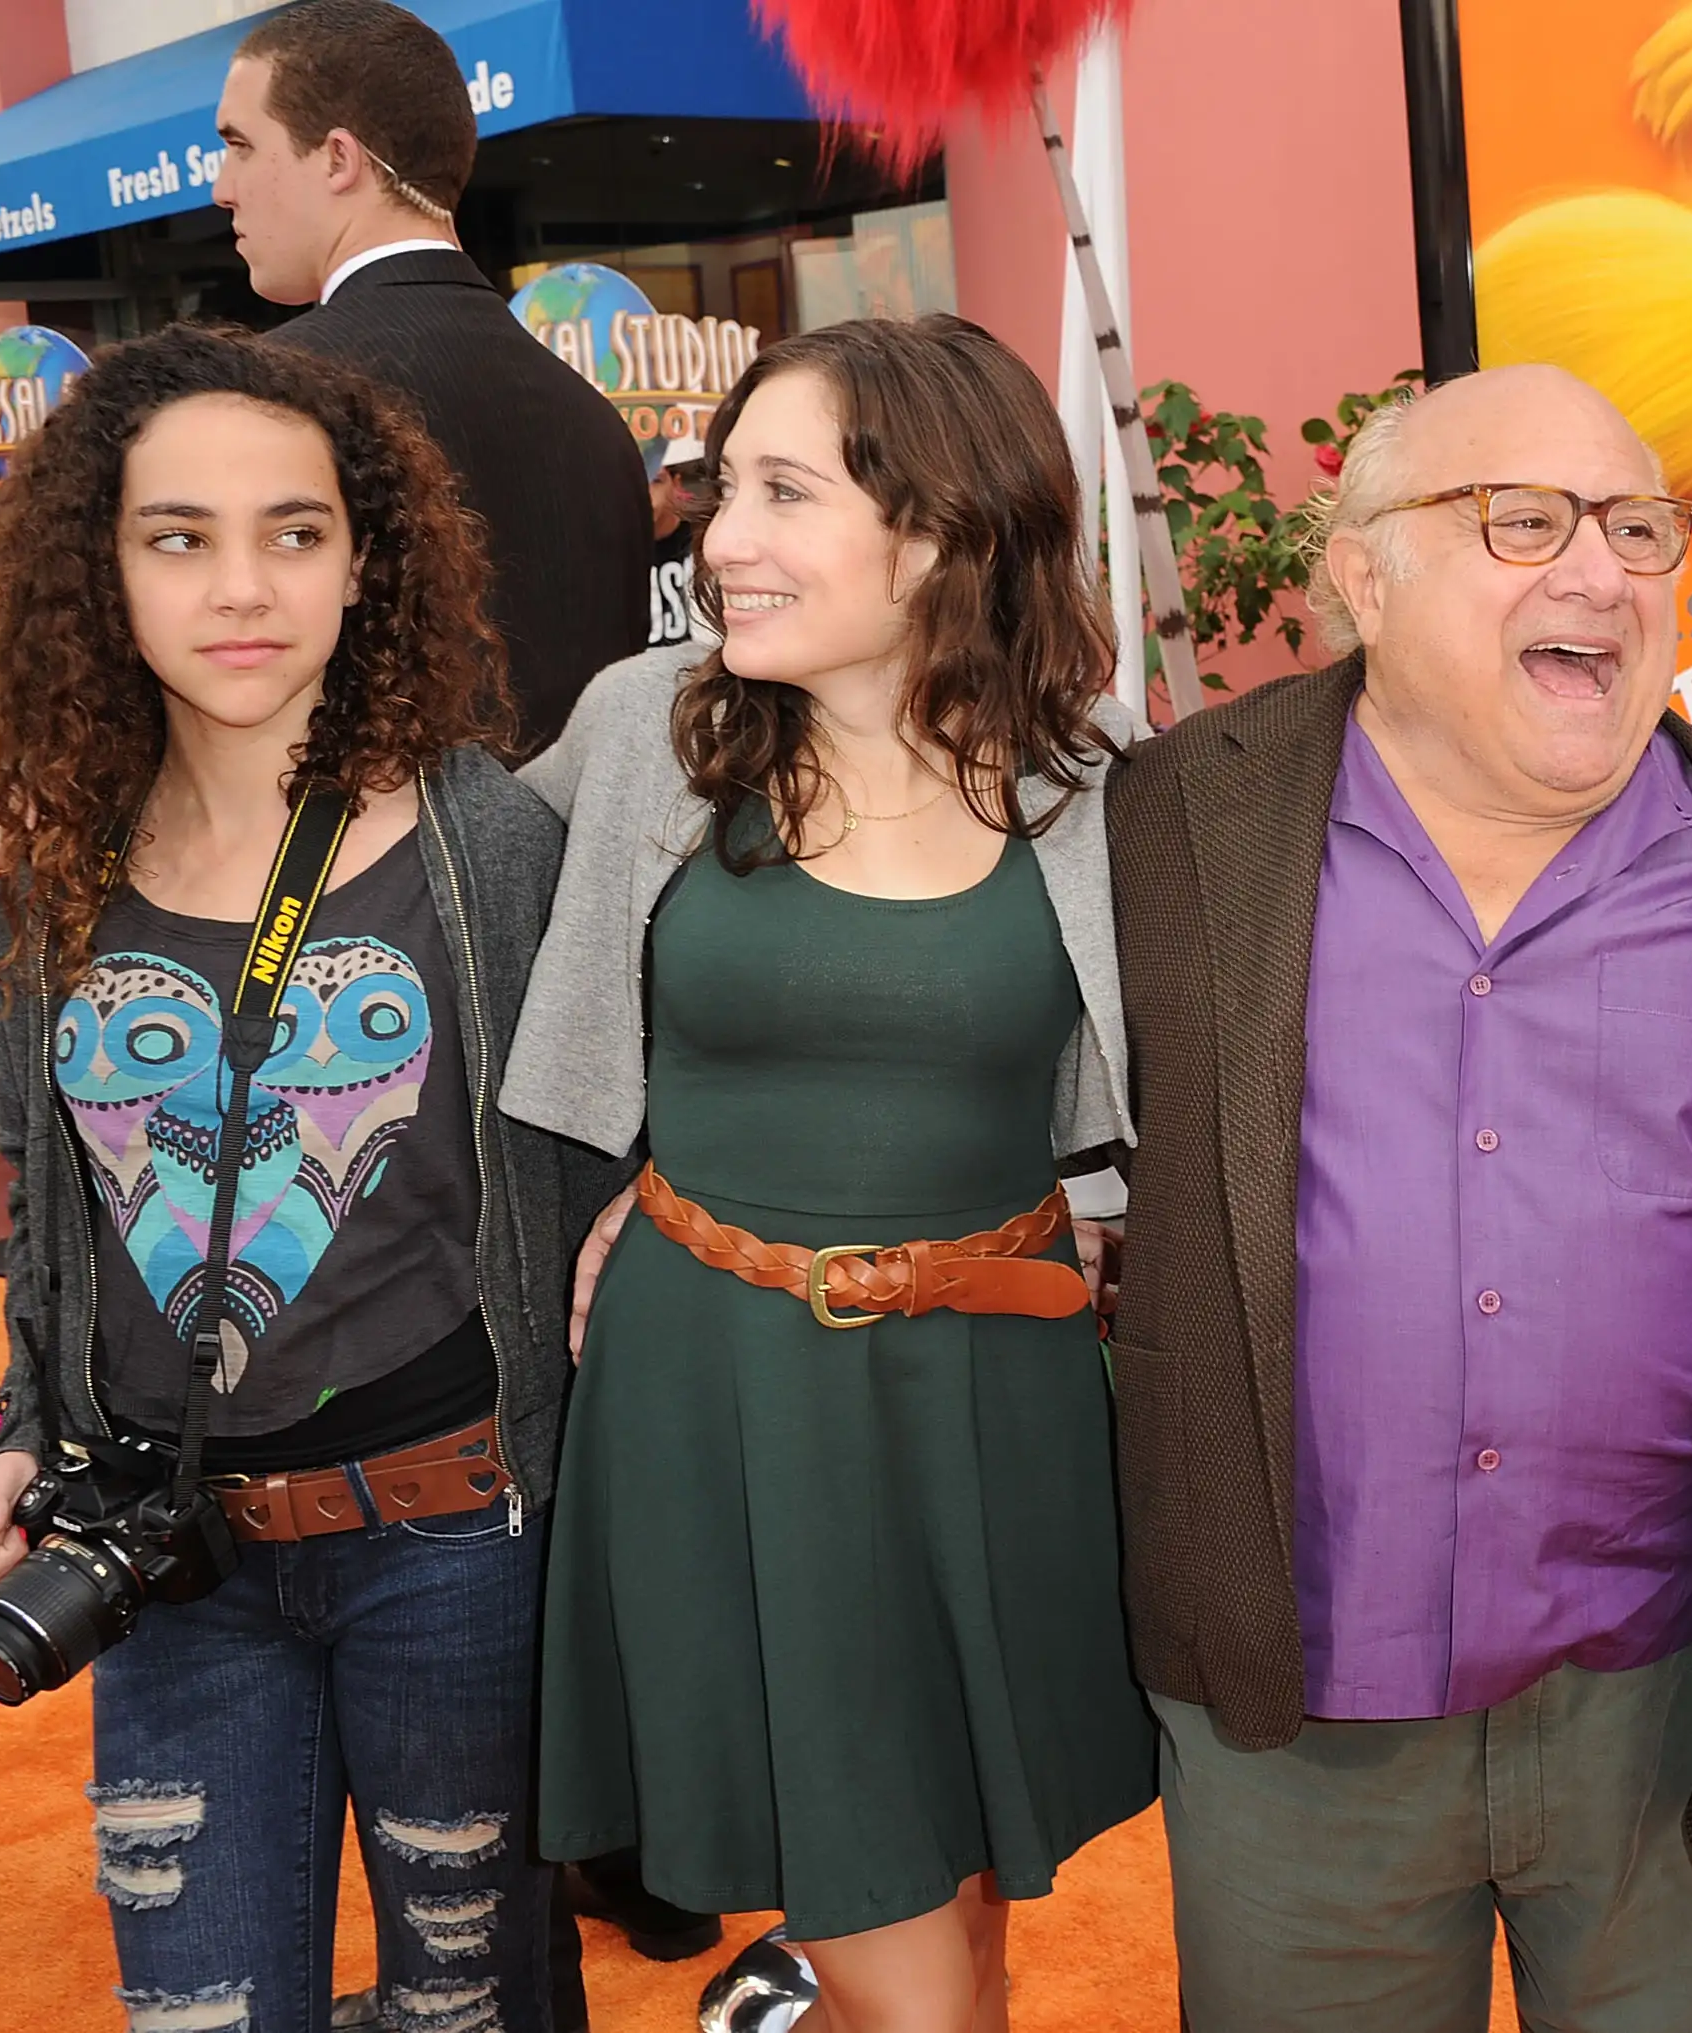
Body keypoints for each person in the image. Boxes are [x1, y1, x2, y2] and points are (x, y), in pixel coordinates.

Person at [1102, 364, 1692, 2031]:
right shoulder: (1172, 835)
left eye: (1640, 528)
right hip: (1298, 1714)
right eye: (1523, 522)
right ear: (1364, 573)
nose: (1600, 574)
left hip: (1667, 1704)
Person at [504, 313, 1153, 2033]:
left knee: (954, 1863)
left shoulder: (1100, 774)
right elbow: (454, 907)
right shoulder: (646, 726)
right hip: (723, 1390)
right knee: (876, 1887)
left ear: (941, 526)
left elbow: (1189, 1076)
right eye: (727, 489)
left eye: (782, 493)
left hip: (999, 1391)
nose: (720, 537)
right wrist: (605, 1185)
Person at [0, 322, 586, 2033]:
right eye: (181, 536)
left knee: (474, 2009)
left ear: (366, 559)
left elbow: (581, 1187)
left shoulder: (485, 840)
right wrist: (32, 1416)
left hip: (454, 1538)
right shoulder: (55, 852)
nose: (244, 586)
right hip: (167, 1562)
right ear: (105, 567)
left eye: (294, 531)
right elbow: (55, 1189)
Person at [216, 0, 649, 756]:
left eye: (241, 146)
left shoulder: (272, 394)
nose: (223, 187)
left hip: (353, 859)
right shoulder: (592, 413)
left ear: (340, 159)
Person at [642, 431, 713, 650]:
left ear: (676, 483)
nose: (646, 495)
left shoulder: (704, 540)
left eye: (655, 481)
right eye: (635, 480)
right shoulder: (607, 548)